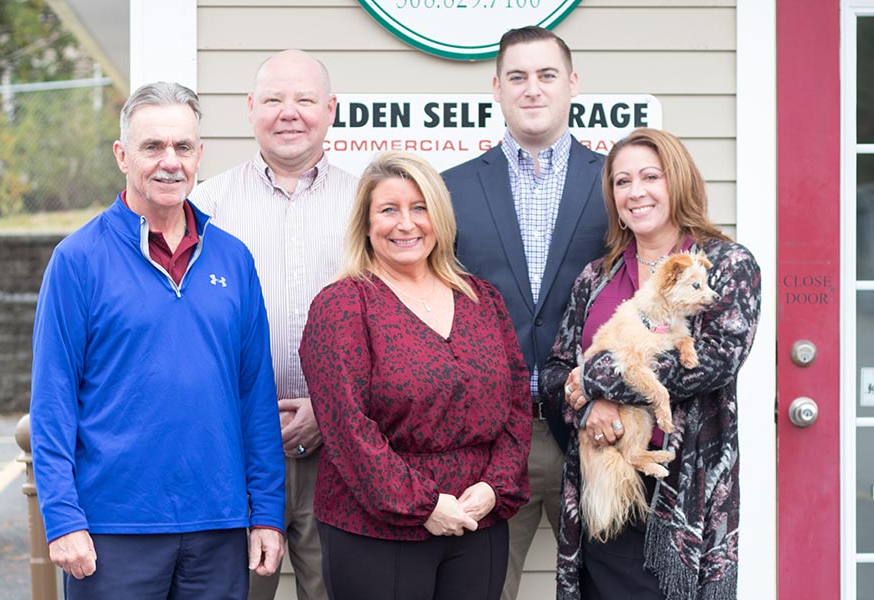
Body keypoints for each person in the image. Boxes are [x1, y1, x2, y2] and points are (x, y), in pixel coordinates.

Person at [29, 81, 286, 600]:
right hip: (112, 530)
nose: (170, 161)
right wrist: (62, 517)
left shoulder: (233, 259)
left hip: (218, 524)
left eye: (183, 147)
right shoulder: (78, 261)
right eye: (153, 147)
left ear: (199, 155)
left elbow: (254, 398)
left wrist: (268, 512)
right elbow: (52, 402)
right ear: (123, 155)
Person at [539, 128, 761, 599]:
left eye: (649, 176)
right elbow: (558, 369)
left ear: (676, 181)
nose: (635, 192)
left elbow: (710, 365)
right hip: (605, 487)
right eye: (622, 182)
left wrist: (595, 380)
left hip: (681, 496)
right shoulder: (597, 278)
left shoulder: (726, 267)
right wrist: (586, 408)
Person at [298, 151, 532, 600]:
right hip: (378, 532)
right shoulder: (344, 306)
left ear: (439, 218)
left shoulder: (481, 299)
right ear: (366, 225)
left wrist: (494, 488)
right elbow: (347, 428)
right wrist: (422, 505)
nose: (406, 224)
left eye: (419, 208)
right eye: (389, 210)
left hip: (477, 520)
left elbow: (517, 403)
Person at [442, 25, 608, 599]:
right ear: (496, 86)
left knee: (609, 584)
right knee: (481, 588)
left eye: (546, 75)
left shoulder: (617, 183)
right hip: (489, 437)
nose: (531, 89)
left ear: (572, 84)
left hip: (595, 429)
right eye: (517, 77)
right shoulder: (451, 190)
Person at [191, 49, 357, 600]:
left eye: (305, 99)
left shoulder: (367, 206)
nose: (290, 113)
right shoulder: (205, 206)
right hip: (235, 451)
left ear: (330, 110)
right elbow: (188, 334)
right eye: (273, 100)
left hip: (342, 452)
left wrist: (328, 407)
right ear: (249, 109)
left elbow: (390, 327)